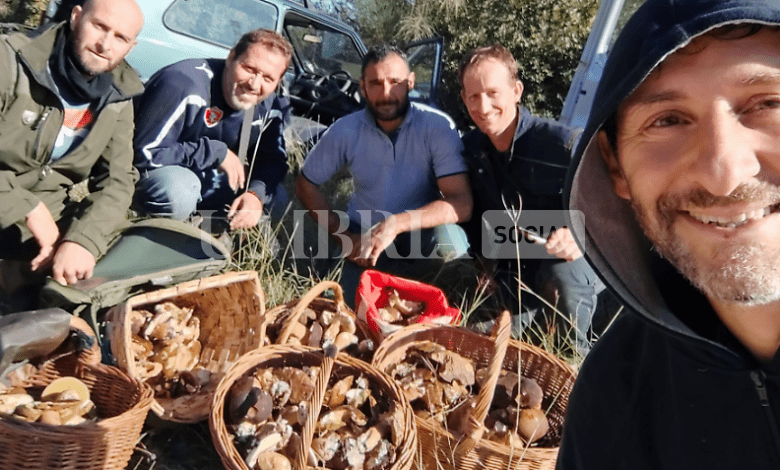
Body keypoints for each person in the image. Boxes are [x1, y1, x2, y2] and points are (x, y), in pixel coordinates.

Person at [557, 0, 780, 468]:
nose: (724, 173)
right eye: (668, 121)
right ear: (615, 165)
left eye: (768, 103)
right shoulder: (612, 400)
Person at [295, 45, 472, 306]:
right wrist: (342, 236)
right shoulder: (345, 130)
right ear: (362, 87)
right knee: (341, 308)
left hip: (418, 231)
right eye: (376, 83)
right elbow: (305, 185)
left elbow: (461, 203)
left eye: (395, 82)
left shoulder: (437, 126)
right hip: (363, 231)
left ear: (411, 83)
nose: (386, 93)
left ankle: (443, 304)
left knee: (452, 247)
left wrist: (396, 224)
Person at [458, 44, 605, 355]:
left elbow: (617, 205)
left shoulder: (562, 144)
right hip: (516, 268)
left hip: (576, 262)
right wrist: (483, 263)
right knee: (473, 333)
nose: (483, 107)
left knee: (561, 275)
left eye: (493, 93)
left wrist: (581, 235)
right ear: (464, 99)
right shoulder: (469, 149)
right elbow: (476, 218)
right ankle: (534, 327)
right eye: (473, 96)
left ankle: (572, 363)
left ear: (516, 90)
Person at [0, 0, 144, 291]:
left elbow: (117, 181)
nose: (105, 44)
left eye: (120, 38)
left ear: (132, 46)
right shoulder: (10, 60)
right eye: (100, 27)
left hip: (43, 226)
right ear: (76, 18)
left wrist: (82, 241)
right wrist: (26, 206)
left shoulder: (118, 96)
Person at [132, 29, 292, 231]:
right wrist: (215, 152)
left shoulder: (269, 104)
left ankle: (221, 244)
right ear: (231, 57)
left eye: (268, 78)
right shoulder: (183, 83)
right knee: (179, 192)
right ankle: (150, 242)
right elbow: (142, 154)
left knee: (276, 197)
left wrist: (255, 195)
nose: (254, 84)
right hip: (154, 176)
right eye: (249, 68)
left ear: (278, 81)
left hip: (205, 177)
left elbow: (273, 161)